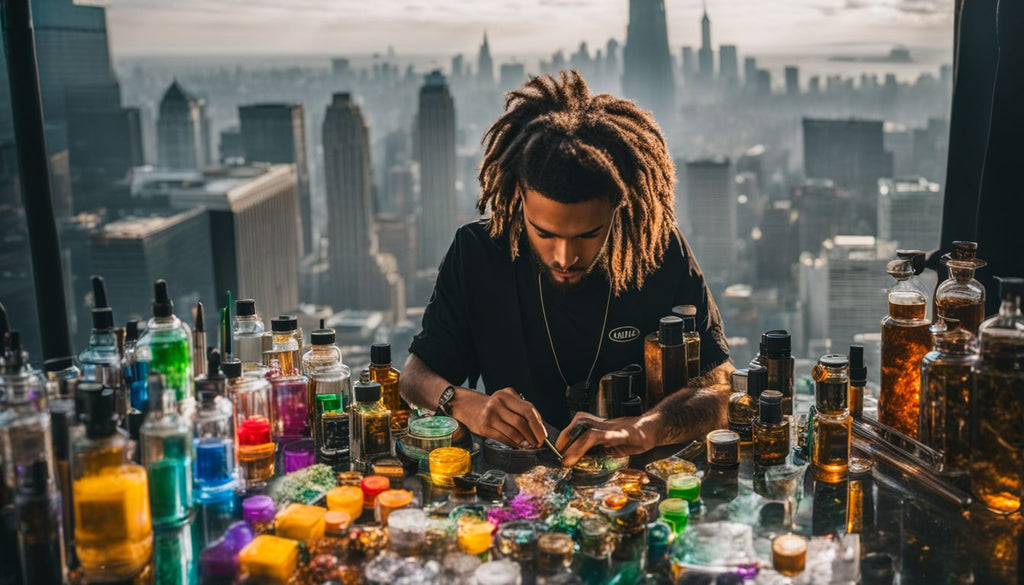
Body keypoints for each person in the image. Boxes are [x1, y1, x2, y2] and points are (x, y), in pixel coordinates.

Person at [402, 71, 734, 466]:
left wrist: (645, 427)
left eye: (587, 235)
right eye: (544, 233)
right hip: (520, 488)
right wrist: (462, 403)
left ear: (617, 206)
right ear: (519, 197)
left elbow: (721, 387)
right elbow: (414, 376)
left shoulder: (658, 250)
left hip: (641, 490)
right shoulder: (478, 254)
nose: (564, 256)